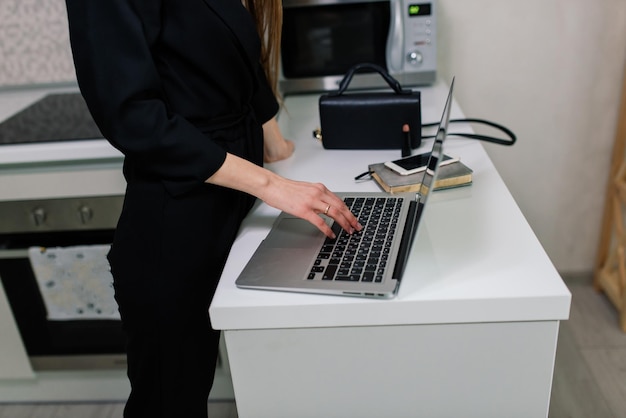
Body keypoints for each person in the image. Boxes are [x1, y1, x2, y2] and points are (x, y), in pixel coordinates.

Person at [64, 1, 362, 417]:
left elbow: (238, 60)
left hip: (235, 199)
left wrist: (275, 144)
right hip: (177, 218)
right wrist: (274, 186)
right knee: (171, 402)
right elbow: (134, 120)